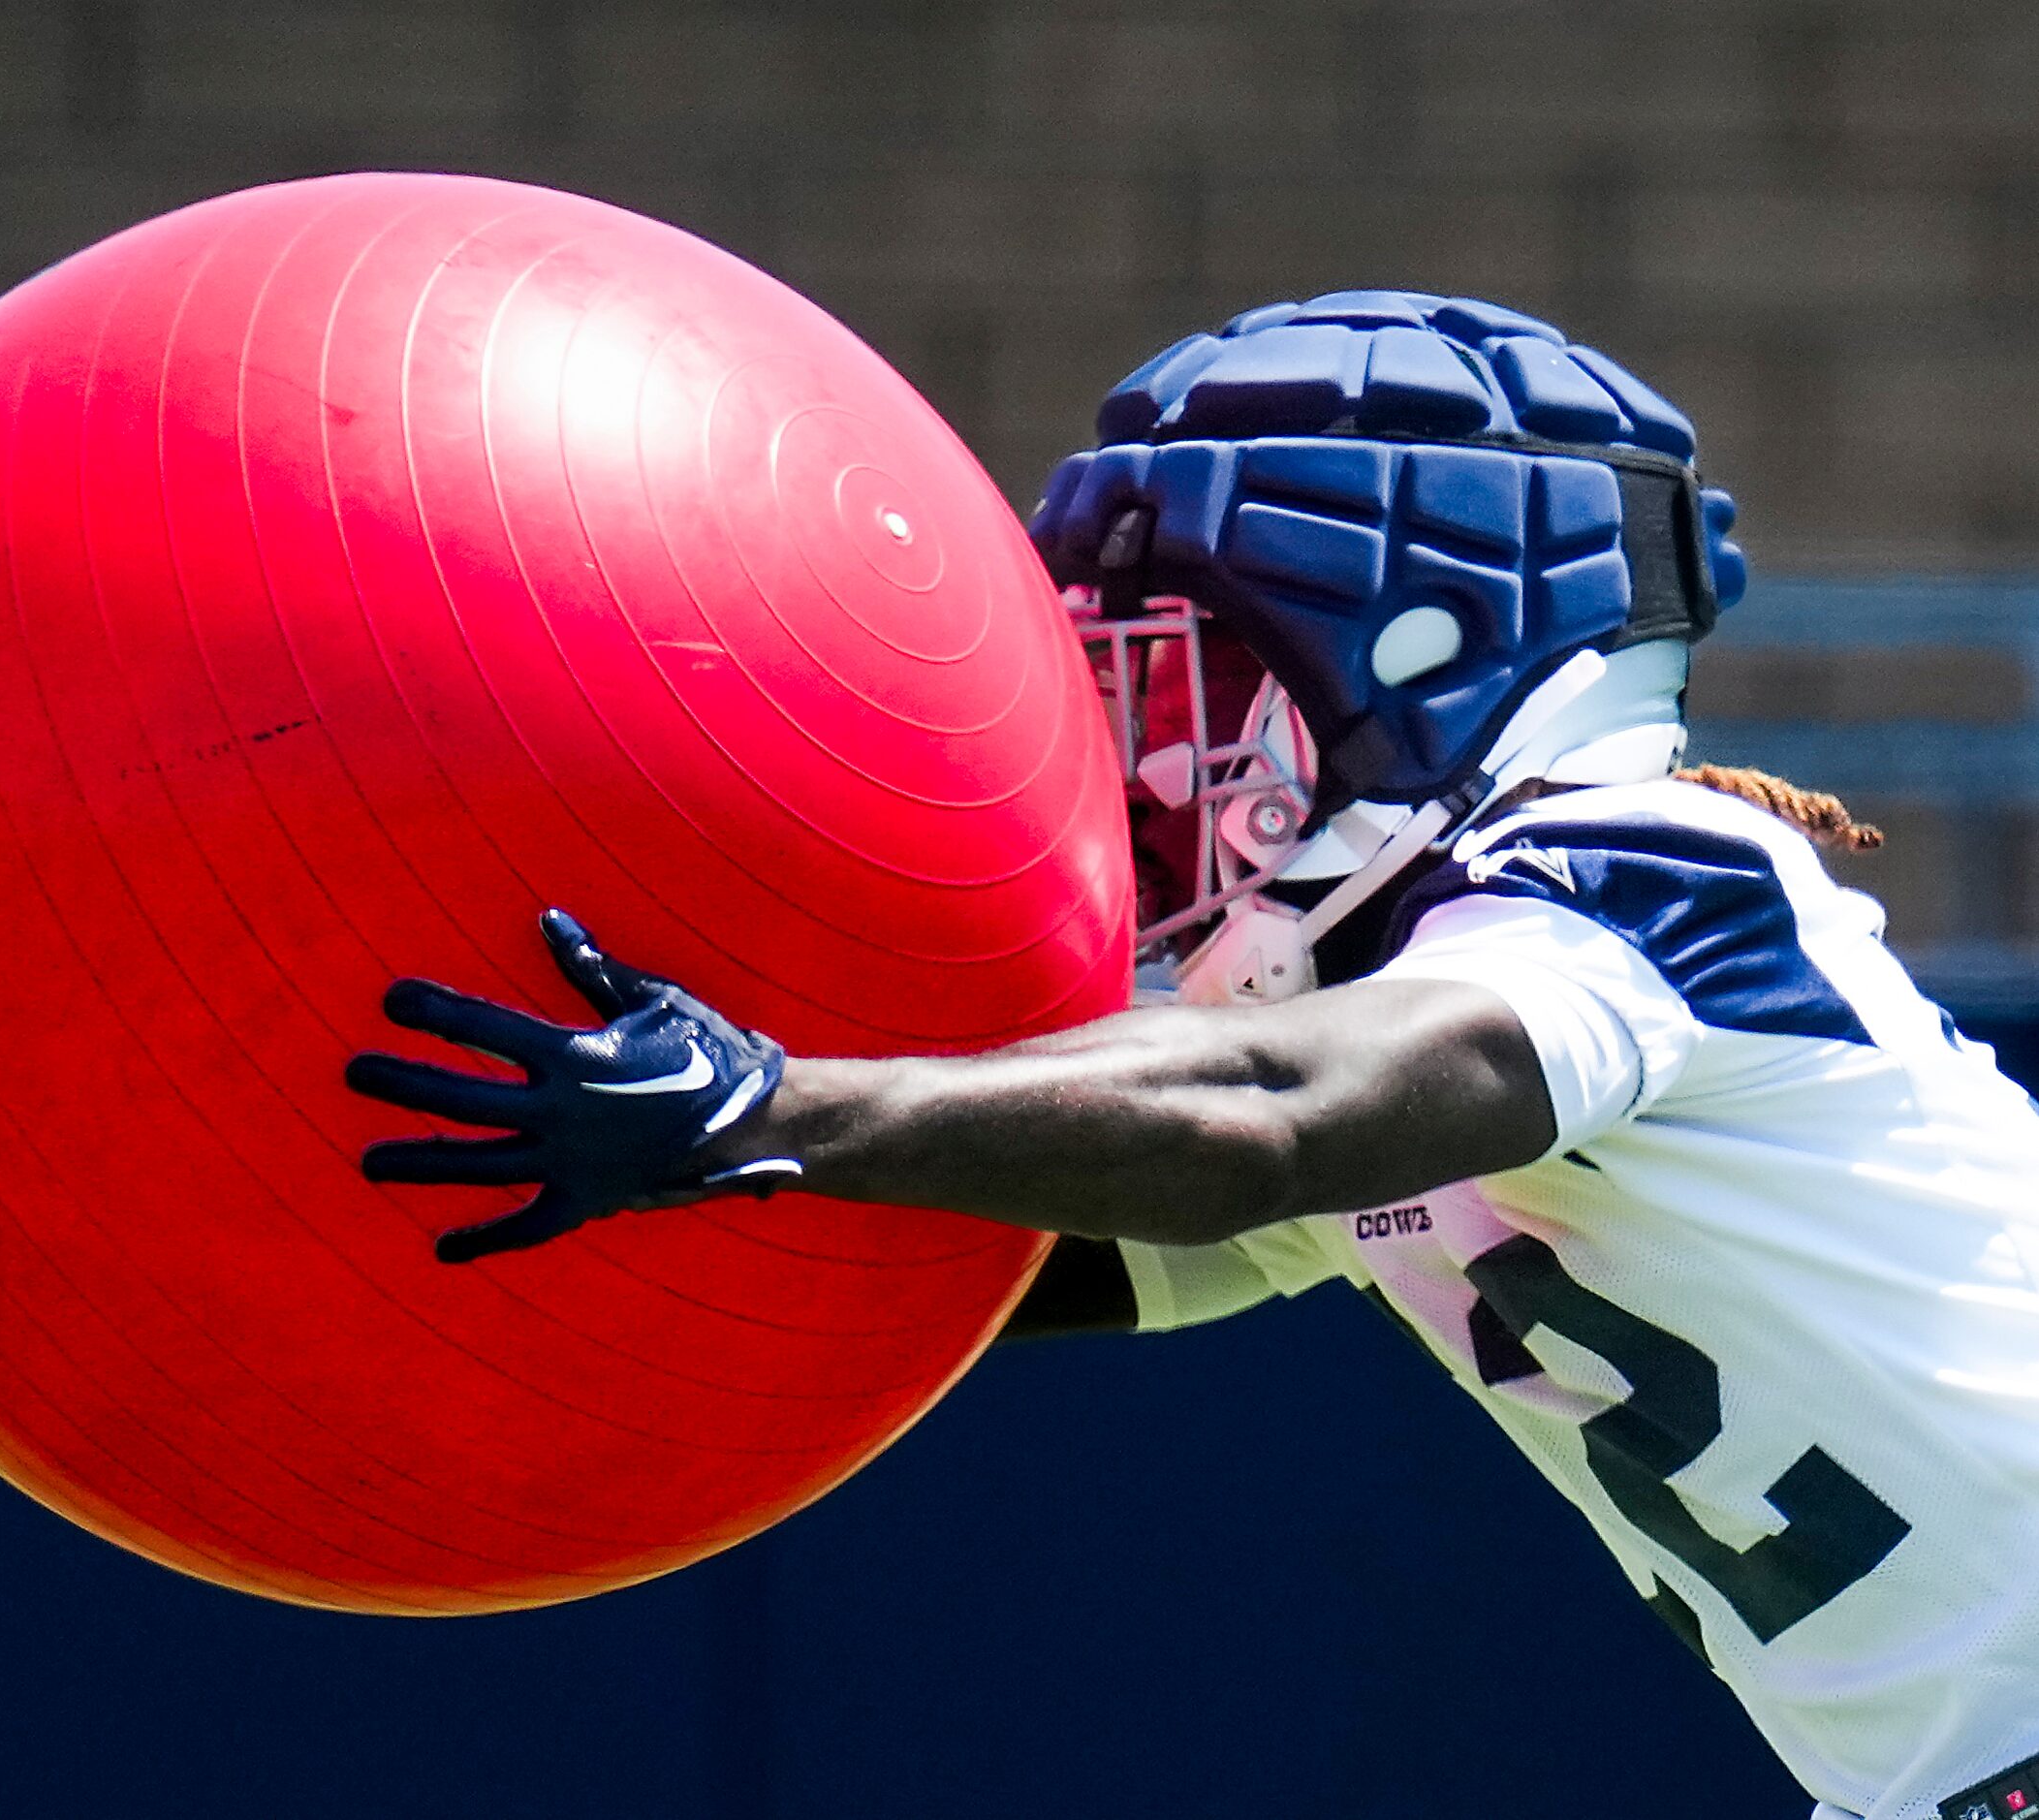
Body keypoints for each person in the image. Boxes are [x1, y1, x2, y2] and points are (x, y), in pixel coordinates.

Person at [342, 293, 2039, 1820]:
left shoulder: (1645, 869)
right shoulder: (1416, 1034)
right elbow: (973, 1247)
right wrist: (630, 1198)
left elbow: (1272, 1119)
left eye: (1187, 701)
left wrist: (778, 1099)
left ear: (1423, 654)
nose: (1147, 784)